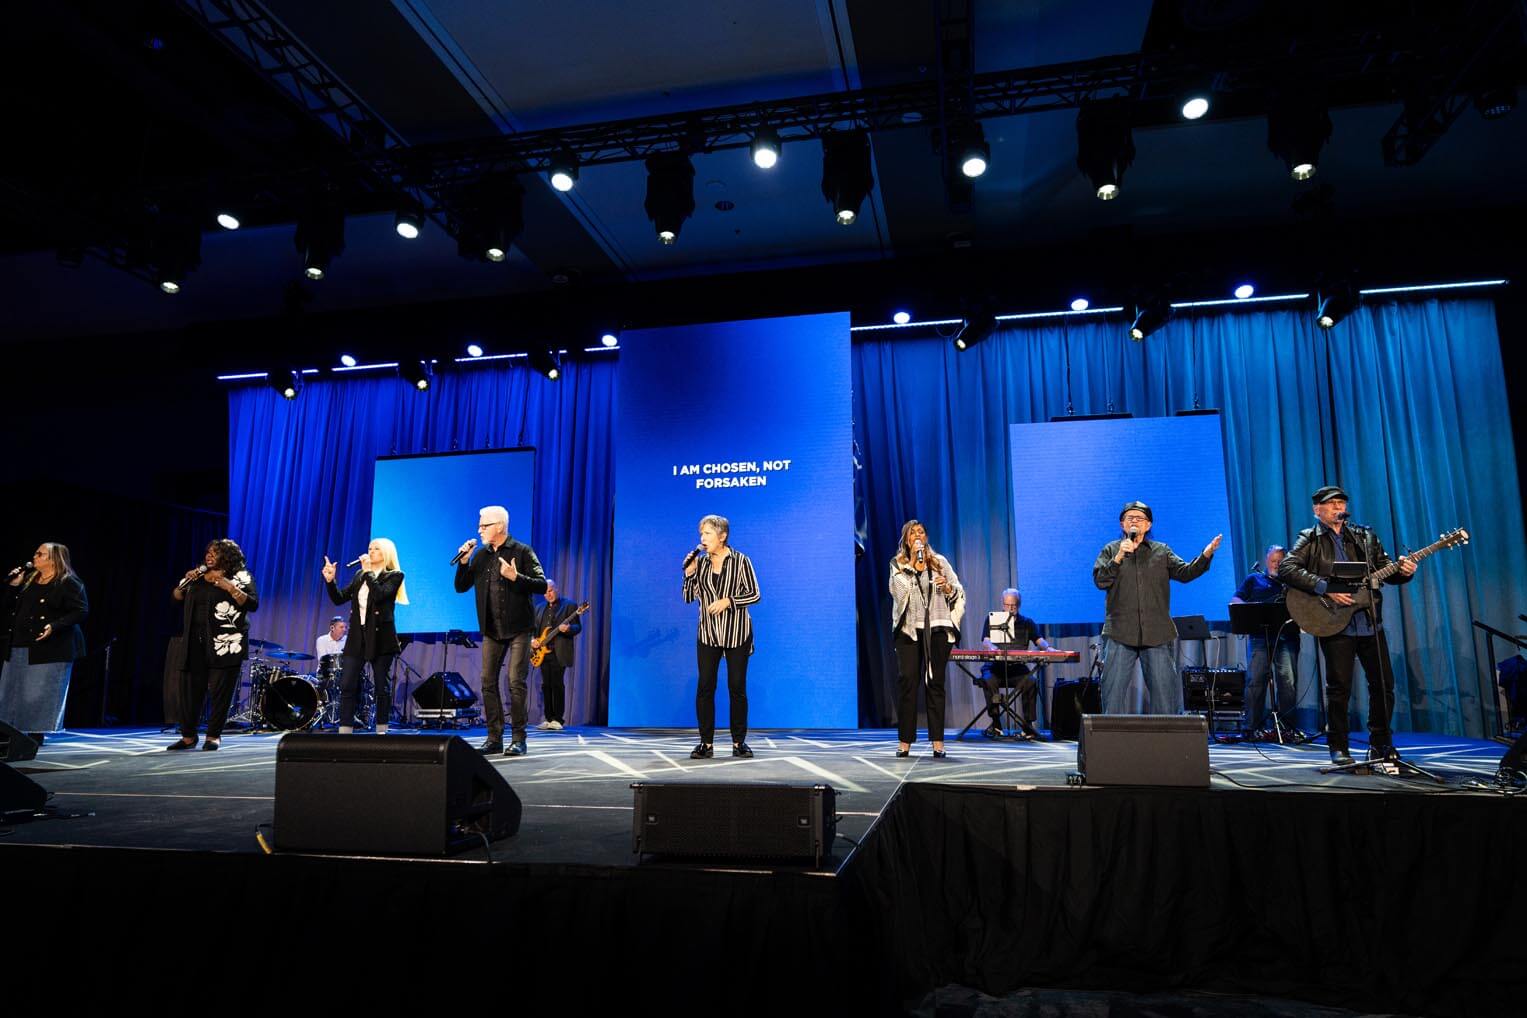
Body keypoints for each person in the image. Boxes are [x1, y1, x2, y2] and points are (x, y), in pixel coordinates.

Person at [1278, 486, 1416, 765]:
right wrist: (1324, 587)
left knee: (1383, 686)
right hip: (1334, 622)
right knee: (1339, 688)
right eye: (1331, 504)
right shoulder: (1310, 537)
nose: (1337, 507)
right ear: (1317, 510)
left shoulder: (1364, 536)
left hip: (1368, 622)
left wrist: (1404, 572)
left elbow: (1386, 571)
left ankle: (1381, 744)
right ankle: (1338, 746)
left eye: (1341, 502)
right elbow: (1287, 569)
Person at [1092, 501, 1221, 716]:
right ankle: (1112, 746)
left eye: (1139, 518)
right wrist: (1118, 558)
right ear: (1122, 525)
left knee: (1164, 698)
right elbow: (1100, 581)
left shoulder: (1161, 551)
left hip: (1157, 633)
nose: (1134, 521)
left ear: (1149, 525)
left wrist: (1206, 555)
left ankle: (1167, 746)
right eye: (1129, 518)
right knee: (1112, 695)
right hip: (1120, 632)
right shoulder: (1111, 550)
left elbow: (1185, 573)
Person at [454, 505, 547, 756]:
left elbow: (541, 585)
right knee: (487, 682)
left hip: (519, 628)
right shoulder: (481, 556)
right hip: (492, 629)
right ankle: (494, 737)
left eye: (484, 525)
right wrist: (463, 562)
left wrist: (516, 577)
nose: (479, 530)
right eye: (480, 525)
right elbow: (461, 587)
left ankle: (519, 738)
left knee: (515, 681)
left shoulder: (523, 551)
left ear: (500, 527)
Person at [168, 539, 258, 751]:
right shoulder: (197, 576)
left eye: (215, 552)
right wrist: (185, 582)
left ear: (228, 556)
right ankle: (188, 736)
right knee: (190, 691)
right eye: (208, 551)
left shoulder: (241, 576)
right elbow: (175, 597)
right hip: (194, 641)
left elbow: (253, 603)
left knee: (220, 692)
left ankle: (213, 736)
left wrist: (229, 586)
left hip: (226, 643)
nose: (209, 555)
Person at [682, 515, 761, 759]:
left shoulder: (741, 561)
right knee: (705, 687)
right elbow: (687, 598)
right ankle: (706, 743)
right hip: (708, 634)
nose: (702, 539)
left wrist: (729, 601)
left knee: (736, 687)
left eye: (707, 534)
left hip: (737, 633)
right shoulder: (701, 564)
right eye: (701, 534)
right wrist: (689, 574)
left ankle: (739, 742)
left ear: (722, 536)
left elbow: (755, 594)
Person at [889, 520, 965, 758]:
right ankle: (905, 742)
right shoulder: (898, 564)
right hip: (910, 631)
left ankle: (938, 742)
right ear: (907, 540)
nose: (918, 536)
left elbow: (958, 591)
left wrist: (948, 589)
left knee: (936, 684)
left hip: (938, 628)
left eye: (921, 532)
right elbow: (899, 594)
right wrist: (913, 565)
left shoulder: (940, 562)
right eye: (913, 534)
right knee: (908, 683)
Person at [0, 543, 88, 743]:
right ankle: (10, 731)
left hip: (50, 647)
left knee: (37, 692)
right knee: (12, 689)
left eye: (40, 554)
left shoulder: (68, 582)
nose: (34, 557)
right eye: (35, 553)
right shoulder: (29, 580)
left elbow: (81, 611)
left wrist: (54, 626)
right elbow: (11, 608)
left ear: (54, 559)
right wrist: (14, 587)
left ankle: (34, 734)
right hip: (20, 642)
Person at [323, 539, 407, 735]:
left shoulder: (394, 576)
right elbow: (339, 598)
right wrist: (330, 581)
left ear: (386, 553)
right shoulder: (360, 575)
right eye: (370, 548)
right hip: (357, 636)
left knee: (381, 685)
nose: (371, 551)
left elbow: (379, 595)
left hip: (381, 638)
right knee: (347, 683)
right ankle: (345, 728)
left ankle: (381, 728)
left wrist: (369, 571)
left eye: (376, 548)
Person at [1231, 544, 1301, 738]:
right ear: (1266, 562)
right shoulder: (1254, 579)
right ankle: (1250, 727)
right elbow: (1236, 599)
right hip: (1260, 637)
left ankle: (1287, 729)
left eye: (1280, 561)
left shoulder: (1291, 583)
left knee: (1287, 682)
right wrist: (1248, 610)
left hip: (1286, 637)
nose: (1276, 564)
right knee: (1255, 680)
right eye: (1273, 561)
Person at [979, 588, 1057, 740]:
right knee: (988, 680)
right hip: (995, 668)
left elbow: (1039, 640)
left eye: (1013, 605)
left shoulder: (1027, 623)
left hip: (1017, 669)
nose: (1010, 609)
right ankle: (996, 724)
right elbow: (985, 640)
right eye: (1007, 605)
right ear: (1003, 604)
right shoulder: (992, 620)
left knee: (1030, 681)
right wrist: (991, 647)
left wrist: (1048, 648)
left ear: (1018, 605)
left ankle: (1027, 726)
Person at [532, 579, 582, 731]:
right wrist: (533, 640)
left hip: (559, 652)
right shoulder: (539, 608)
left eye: (551, 590)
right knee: (546, 685)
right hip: (542, 653)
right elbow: (534, 630)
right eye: (546, 592)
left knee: (557, 684)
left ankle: (558, 719)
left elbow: (578, 627)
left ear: (557, 589)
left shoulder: (570, 605)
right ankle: (548, 718)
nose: (549, 594)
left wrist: (568, 629)